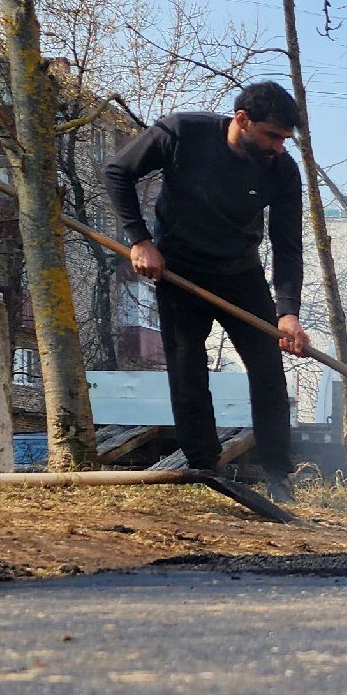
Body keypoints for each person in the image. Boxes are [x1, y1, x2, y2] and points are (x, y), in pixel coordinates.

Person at [104, 81, 310, 503]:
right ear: (242, 120)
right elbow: (117, 171)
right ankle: (203, 467)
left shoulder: (283, 172)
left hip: (240, 274)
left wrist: (288, 311)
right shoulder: (182, 132)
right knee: (186, 369)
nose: (278, 148)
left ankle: (279, 475)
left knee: (268, 370)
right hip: (178, 271)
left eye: (285, 140)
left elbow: (288, 246)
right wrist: (140, 240)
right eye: (272, 136)